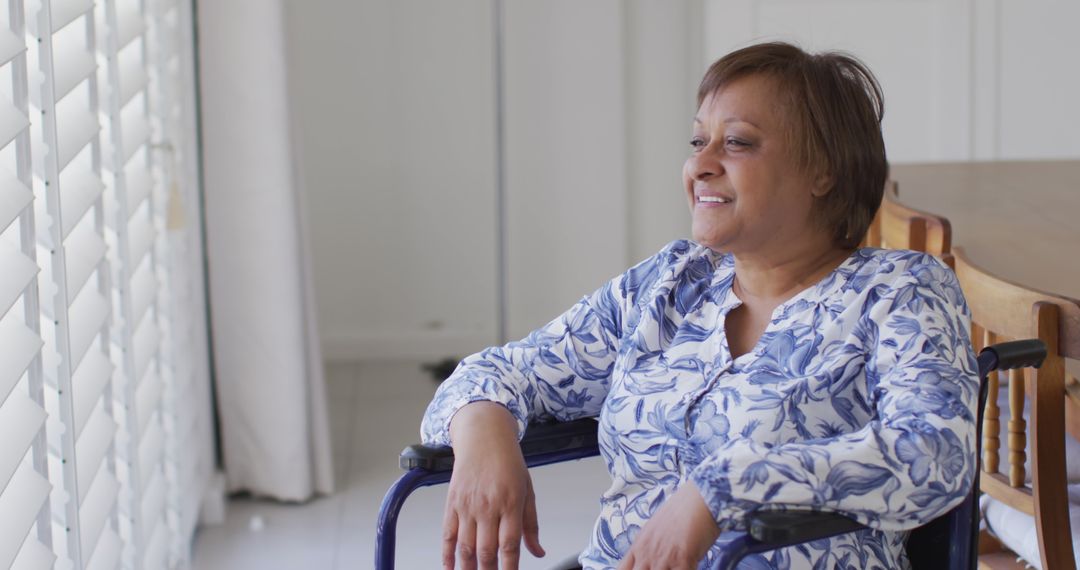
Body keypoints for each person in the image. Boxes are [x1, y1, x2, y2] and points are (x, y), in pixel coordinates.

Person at [421, 41, 978, 570]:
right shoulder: (671, 282)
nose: (701, 165)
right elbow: (502, 372)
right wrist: (483, 435)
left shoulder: (898, 291)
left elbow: (933, 454)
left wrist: (721, 490)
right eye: (697, 143)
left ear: (822, 170)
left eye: (736, 142)